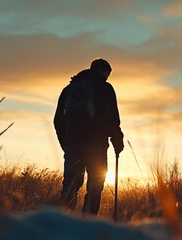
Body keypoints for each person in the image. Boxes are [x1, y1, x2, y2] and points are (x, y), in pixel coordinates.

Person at [53, 58, 124, 215]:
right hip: (96, 146)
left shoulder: (69, 89)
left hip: (72, 144)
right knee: (95, 185)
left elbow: (58, 120)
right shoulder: (105, 88)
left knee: (70, 185)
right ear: (105, 72)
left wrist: (66, 143)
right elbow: (112, 119)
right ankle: (88, 223)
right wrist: (117, 142)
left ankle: (65, 224)